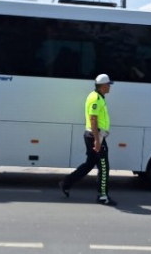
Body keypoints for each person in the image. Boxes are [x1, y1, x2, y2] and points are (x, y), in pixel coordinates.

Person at [59, 74, 117, 206]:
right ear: (103, 86)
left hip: (94, 135)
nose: (110, 87)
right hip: (95, 136)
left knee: (90, 163)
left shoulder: (98, 96)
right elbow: (93, 119)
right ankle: (103, 196)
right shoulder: (96, 98)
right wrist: (97, 140)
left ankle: (66, 183)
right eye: (108, 84)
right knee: (103, 166)